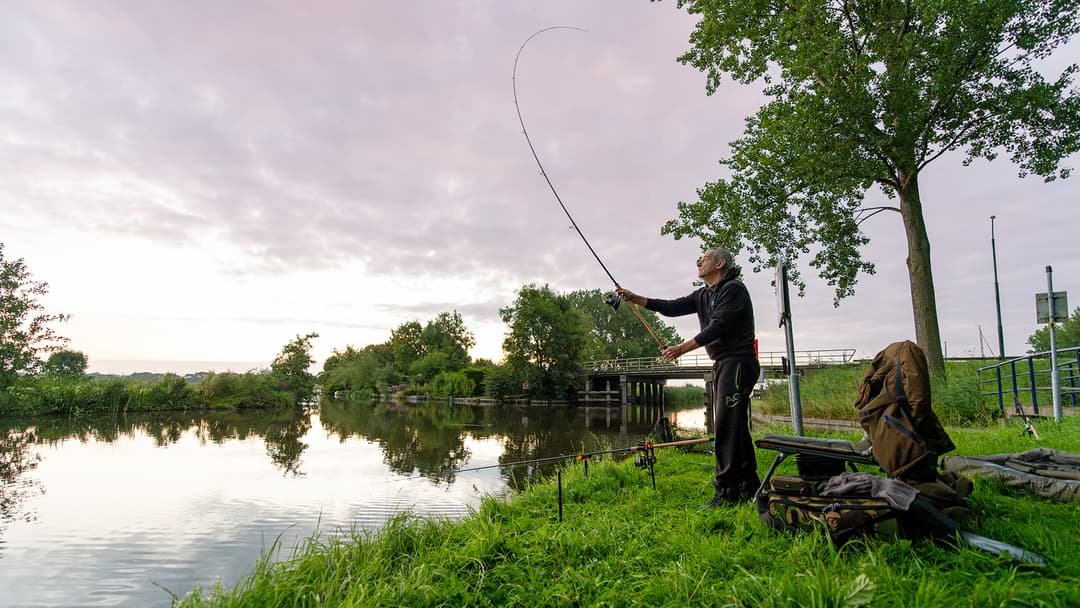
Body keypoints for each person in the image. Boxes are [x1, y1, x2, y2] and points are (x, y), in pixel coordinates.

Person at [617, 247, 760, 507]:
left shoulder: (733, 289)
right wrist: (635, 298)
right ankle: (748, 485)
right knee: (735, 425)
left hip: (738, 362)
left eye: (704, 258)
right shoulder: (703, 294)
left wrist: (680, 349)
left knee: (726, 426)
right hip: (723, 364)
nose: (699, 262)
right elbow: (671, 307)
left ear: (720, 263)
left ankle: (727, 491)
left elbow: (719, 327)